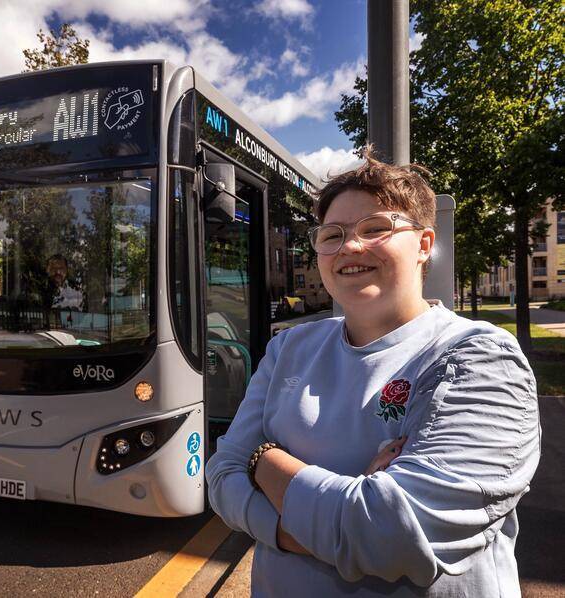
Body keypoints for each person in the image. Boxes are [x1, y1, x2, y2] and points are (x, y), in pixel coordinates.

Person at [206, 149, 540, 597]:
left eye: (376, 228)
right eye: (332, 234)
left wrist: (264, 459)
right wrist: (302, 527)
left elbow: (389, 534)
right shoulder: (289, 348)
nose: (350, 247)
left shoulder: (480, 357)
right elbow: (222, 475)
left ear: (424, 244)